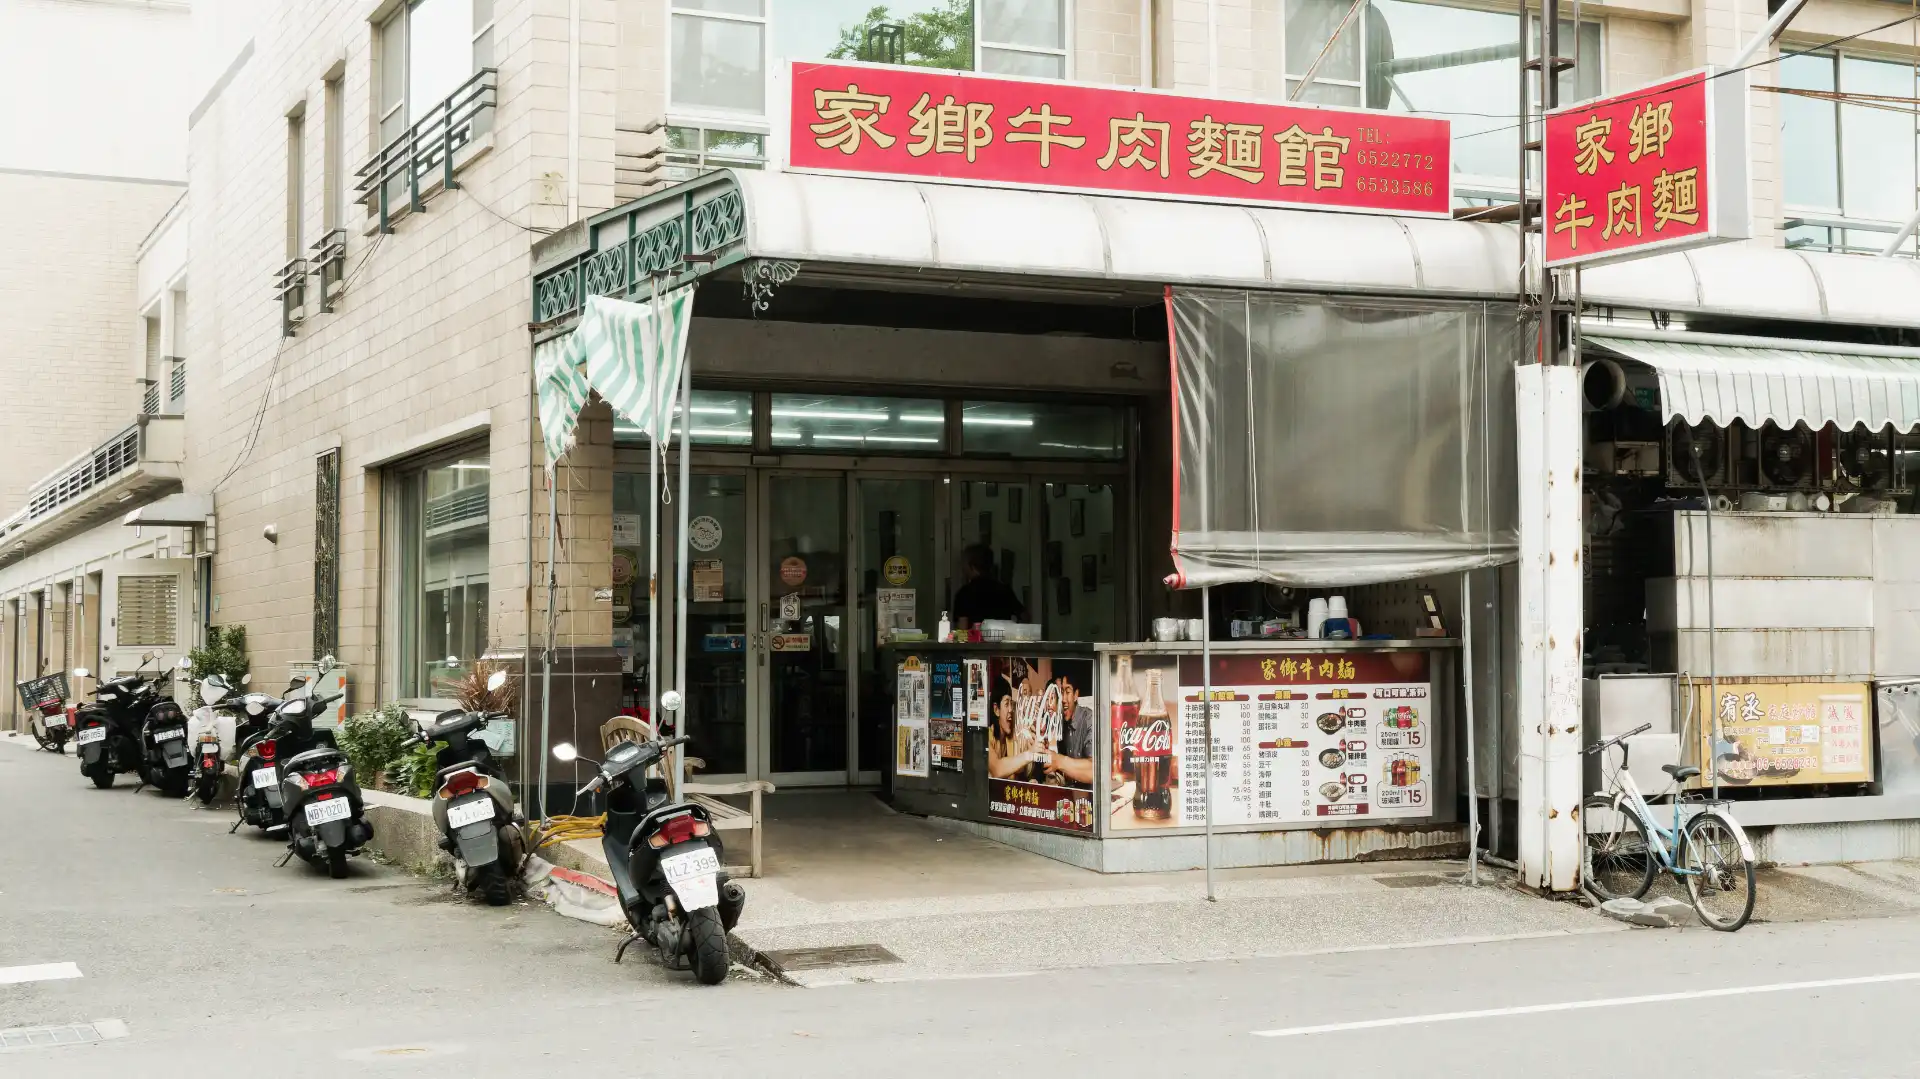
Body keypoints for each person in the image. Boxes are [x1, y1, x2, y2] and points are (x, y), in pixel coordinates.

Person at [953, 544, 1025, 631]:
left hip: (975, 643)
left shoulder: (965, 593)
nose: (962, 568)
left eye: (964, 563)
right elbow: (1024, 615)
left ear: (972, 566)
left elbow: (962, 629)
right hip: (1002, 642)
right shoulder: (1004, 590)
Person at [1048, 671, 1095, 788]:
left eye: (1067, 692)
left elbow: (1094, 771)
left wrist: (1058, 761)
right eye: (1061, 692)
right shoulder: (1062, 724)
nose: (1063, 699)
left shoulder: (1090, 719)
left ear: (1075, 695)